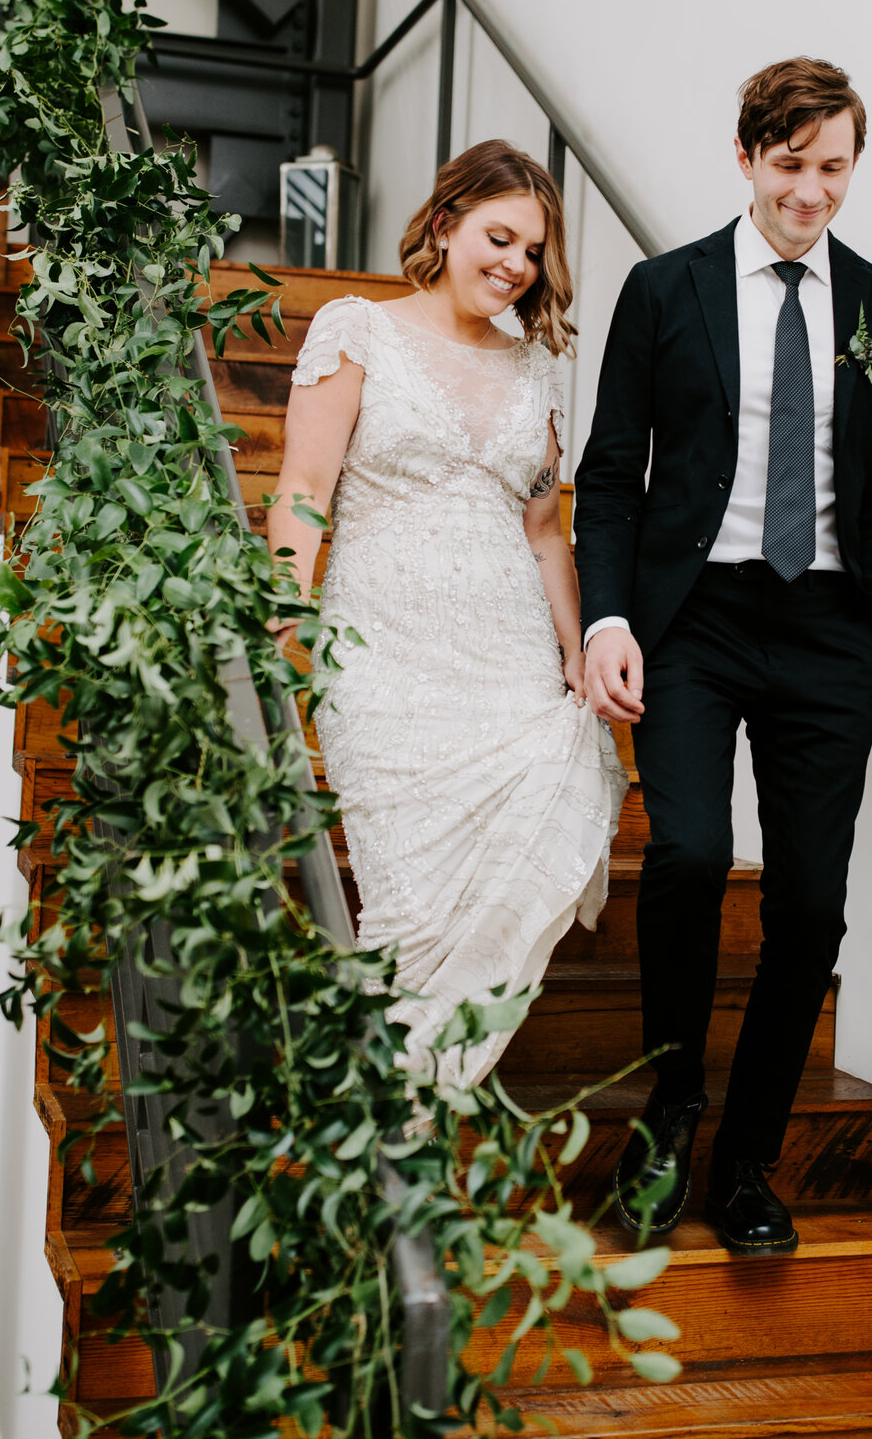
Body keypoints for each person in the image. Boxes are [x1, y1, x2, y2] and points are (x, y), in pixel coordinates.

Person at [573, 58, 872, 1256]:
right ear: (745, 157)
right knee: (687, 852)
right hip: (693, 617)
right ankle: (670, 1107)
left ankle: (749, 1161)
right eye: (791, 165)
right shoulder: (664, 289)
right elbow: (614, 472)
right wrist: (606, 618)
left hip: (829, 630)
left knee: (811, 909)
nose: (812, 193)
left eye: (833, 168)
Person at [267, 139, 625, 1089]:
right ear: (443, 224)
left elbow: (547, 531)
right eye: (497, 236)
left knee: (517, 865)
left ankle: (413, 1128)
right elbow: (303, 487)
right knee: (411, 912)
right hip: (384, 658)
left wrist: (574, 649)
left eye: (531, 251)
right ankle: (388, 1125)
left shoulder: (534, 371)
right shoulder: (356, 331)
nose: (514, 264)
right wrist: (283, 604)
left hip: (507, 664)